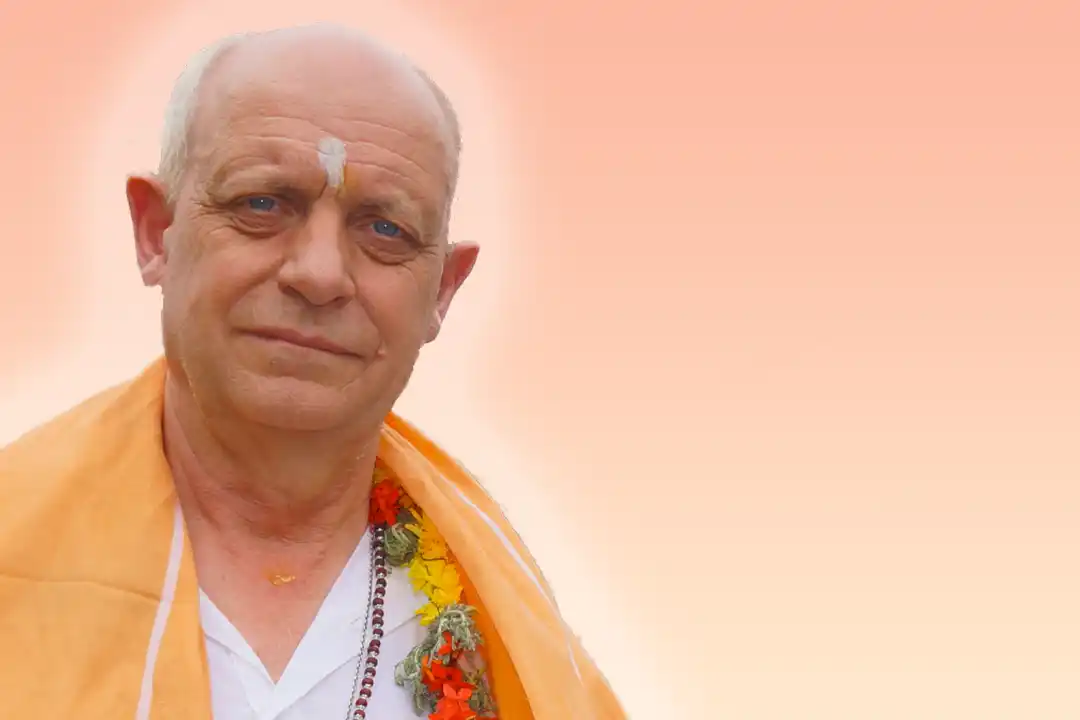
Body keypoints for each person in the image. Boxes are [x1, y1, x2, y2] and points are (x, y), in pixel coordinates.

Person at [0, 24, 625, 720]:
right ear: (156, 234)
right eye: (262, 204)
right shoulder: (13, 541)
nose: (320, 274)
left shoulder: (508, 632)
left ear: (443, 291)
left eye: (385, 229)